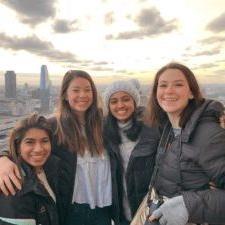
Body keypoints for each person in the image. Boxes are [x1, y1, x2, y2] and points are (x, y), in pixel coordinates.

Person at [0, 70, 113, 225]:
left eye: (88, 90)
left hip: (104, 209)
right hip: (71, 211)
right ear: (65, 95)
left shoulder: (104, 124)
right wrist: (3, 159)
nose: (83, 95)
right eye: (76, 90)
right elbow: (24, 144)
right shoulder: (54, 125)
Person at [144, 62, 225, 225]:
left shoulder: (208, 134)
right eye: (163, 85)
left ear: (191, 93)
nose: (168, 91)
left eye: (178, 84)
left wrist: (189, 206)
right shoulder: (168, 128)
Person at [103, 80, 159, 225]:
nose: (120, 105)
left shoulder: (152, 128)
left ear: (135, 102)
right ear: (108, 107)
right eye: (114, 101)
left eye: (126, 99)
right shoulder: (104, 132)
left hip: (149, 212)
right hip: (121, 214)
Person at [0, 113, 60, 225]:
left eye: (44, 141)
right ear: (18, 146)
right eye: (30, 142)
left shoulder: (49, 168)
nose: (38, 149)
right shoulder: (14, 185)